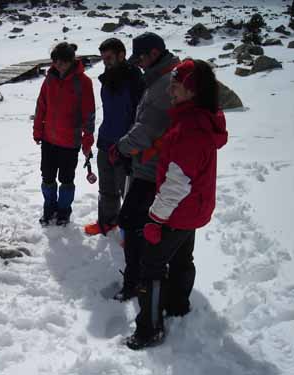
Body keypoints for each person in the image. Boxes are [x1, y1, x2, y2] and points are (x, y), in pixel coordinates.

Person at [124, 59, 228, 350]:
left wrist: (155, 219)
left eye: (177, 84)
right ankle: (177, 305)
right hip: (193, 209)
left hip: (178, 210)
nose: (170, 88)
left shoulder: (190, 128)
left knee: (152, 264)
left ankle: (149, 328)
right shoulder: (199, 119)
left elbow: (177, 183)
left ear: (192, 90)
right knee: (182, 258)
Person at [109, 32, 180, 301]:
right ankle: (142, 280)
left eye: (139, 57)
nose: (137, 63)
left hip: (153, 170)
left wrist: (121, 147)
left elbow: (146, 129)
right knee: (142, 224)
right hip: (153, 165)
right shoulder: (161, 78)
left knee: (132, 221)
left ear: (153, 53)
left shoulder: (163, 84)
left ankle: (137, 282)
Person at [83, 38, 144, 236]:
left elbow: (139, 115)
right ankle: (108, 222)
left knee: (127, 191)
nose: (106, 62)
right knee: (106, 187)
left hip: (126, 145)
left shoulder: (135, 79)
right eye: (103, 59)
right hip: (106, 141)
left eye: (109, 57)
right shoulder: (107, 80)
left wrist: (132, 144)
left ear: (121, 55)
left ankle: (130, 231)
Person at [33, 42, 95, 226]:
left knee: (66, 179)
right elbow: (41, 105)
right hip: (49, 138)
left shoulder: (83, 82)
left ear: (70, 61)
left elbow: (89, 113)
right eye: (55, 61)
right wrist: (38, 130)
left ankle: (63, 211)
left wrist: (87, 139)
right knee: (47, 177)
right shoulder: (50, 78)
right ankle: (49, 208)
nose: (57, 65)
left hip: (70, 141)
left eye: (62, 62)